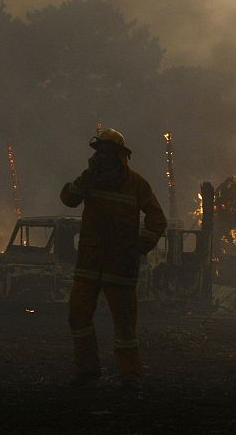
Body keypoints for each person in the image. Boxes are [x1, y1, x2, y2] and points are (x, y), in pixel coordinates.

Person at [61, 128, 167, 389]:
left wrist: (139, 246)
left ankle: (129, 375)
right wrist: (83, 181)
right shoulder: (90, 179)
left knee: (124, 324)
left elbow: (157, 220)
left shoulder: (137, 185)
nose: (101, 158)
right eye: (98, 153)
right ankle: (87, 370)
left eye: (106, 153)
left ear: (119, 157)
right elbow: (69, 200)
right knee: (77, 316)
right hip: (89, 264)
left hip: (120, 267)